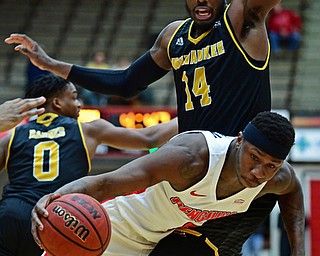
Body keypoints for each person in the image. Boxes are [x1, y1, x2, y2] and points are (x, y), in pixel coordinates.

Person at [4, 0, 301, 254]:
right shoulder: (174, 37)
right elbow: (126, 83)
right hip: (197, 170)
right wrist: (52, 64)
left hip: (237, 177)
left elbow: (291, 188)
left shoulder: (241, 24)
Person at [31, 111, 305, 256]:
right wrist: (54, 196)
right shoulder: (191, 158)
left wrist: (298, 250)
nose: (259, 172)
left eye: (271, 166)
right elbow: (105, 183)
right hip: (111, 228)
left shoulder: (276, 177)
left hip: (157, 244)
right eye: (254, 158)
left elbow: (292, 189)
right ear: (240, 140)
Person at [0, 74, 178, 256]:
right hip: (58, 215)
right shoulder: (89, 129)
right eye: (74, 97)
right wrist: (189, 115)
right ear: (57, 103)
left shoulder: (12, 135)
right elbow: (150, 139)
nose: (79, 104)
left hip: (10, 214)